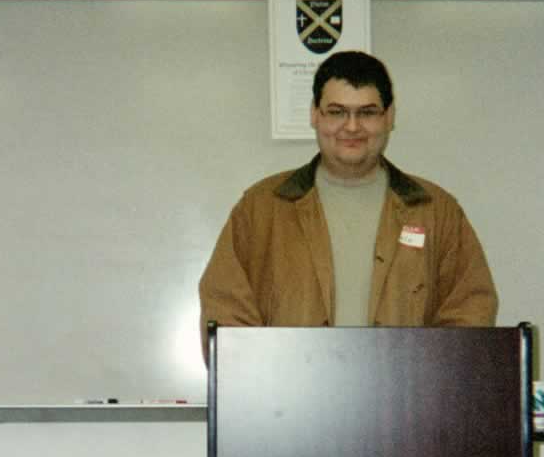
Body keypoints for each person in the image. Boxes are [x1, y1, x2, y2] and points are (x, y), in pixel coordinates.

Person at [199, 50, 497, 354]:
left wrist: (421, 385)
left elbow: (469, 313)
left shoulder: (436, 212)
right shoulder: (261, 209)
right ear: (315, 114)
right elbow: (225, 316)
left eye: (367, 112)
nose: (352, 127)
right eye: (337, 111)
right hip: (288, 401)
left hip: (404, 399)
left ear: (389, 117)